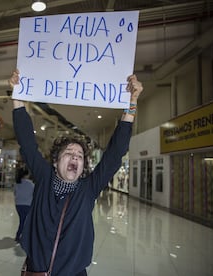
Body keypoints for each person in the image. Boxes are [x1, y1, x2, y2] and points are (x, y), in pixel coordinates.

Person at [9, 69, 143, 275]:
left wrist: (131, 104)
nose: (74, 157)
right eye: (68, 153)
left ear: (82, 167)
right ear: (55, 162)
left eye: (79, 156)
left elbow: (114, 155)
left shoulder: (88, 189)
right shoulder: (45, 178)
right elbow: (27, 143)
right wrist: (18, 97)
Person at [14, 166, 34, 243]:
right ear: (27, 175)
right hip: (27, 205)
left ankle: (19, 235)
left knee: (22, 220)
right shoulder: (31, 184)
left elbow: (15, 194)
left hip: (18, 205)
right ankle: (20, 236)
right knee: (25, 222)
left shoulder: (17, 183)